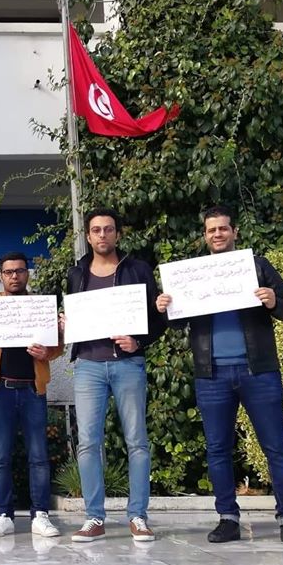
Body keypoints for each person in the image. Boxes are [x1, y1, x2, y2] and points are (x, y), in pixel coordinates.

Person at [155, 205, 283, 547]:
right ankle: (227, 518)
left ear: (234, 232)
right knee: (217, 450)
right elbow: (177, 323)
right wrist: (165, 308)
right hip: (211, 374)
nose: (217, 234)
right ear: (205, 235)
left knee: (277, 448)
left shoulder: (257, 266)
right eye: (211, 230)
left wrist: (273, 301)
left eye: (223, 228)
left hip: (259, 370)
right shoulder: (191, 275)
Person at [64, 208, 165, 543]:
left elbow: (159, 318)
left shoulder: (138, 270)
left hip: (128, 365)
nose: (102, 235)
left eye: (108, 229)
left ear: (118, 234)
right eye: (96, 230)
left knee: (137, 441)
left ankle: (138, 516)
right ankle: (94, 517)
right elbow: (74, 317)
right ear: (88, 236)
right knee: (88, 443)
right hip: (88, 366)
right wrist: (66, 323)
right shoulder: (76, 273)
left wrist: (140, 342)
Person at [0, 251, 64, 538]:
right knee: (0, 457)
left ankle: (41, 515)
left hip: (34, 389)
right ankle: (3, 515)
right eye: (8, 272)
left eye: (19, 271)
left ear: (27, 274)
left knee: (39, 456)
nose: (14, 276)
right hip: (1, 390)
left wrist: (48, 351)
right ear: (1, 276)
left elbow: (56, 348)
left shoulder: (40, 307)